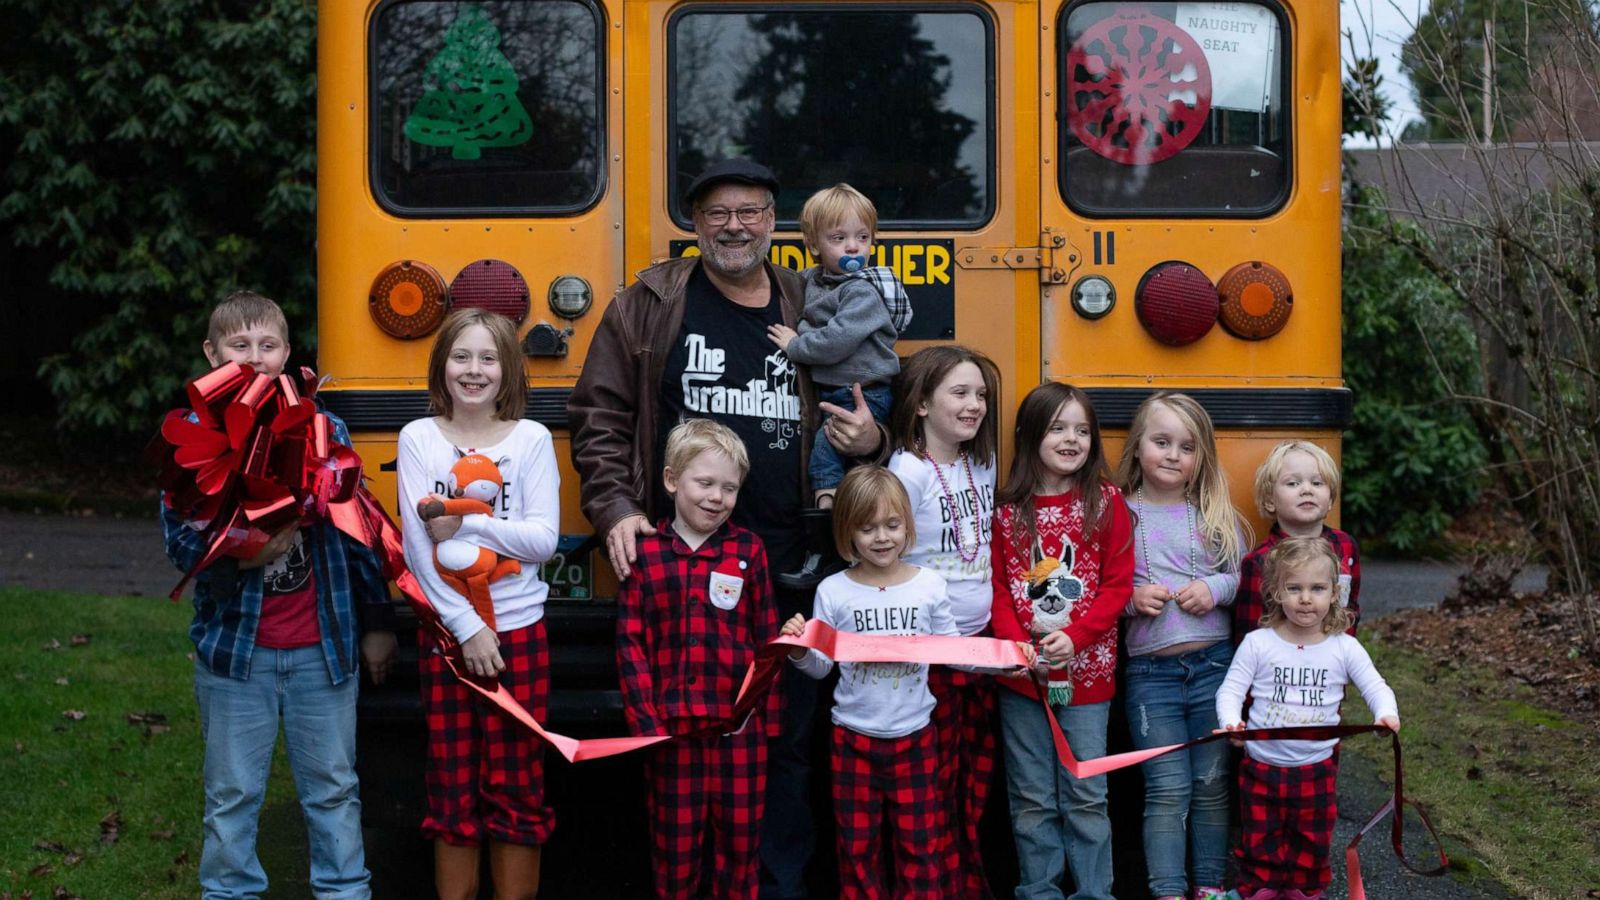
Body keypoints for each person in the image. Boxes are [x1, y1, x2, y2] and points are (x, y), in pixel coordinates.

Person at [568, 157, 884, 898]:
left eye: (750, 212)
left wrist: (872, 444)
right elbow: (599, 415)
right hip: (681, 570)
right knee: (681, 749)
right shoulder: (650, 302)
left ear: (774, 223)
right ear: (696, 225)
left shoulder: (816, 297)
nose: (734, 225)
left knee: (786, 748)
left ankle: (774, 888)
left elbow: (871, 388)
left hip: (794, 565)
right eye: (718, 213)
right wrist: (615, 506)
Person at [161, 290, 395, 900]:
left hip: (325, 649)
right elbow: (180, 543)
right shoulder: (194, 436)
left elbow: (361, 534)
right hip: (238, 656)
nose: (256, 359)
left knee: (334, 789)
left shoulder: (323, 426)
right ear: (212, 353)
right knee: (233, 795)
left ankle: (344, 890)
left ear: (289, 353)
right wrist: (239, 551)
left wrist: (376, 620)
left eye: (269, 346)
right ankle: (229, 892)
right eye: (241, 347)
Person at [779, 466, 1033, 898]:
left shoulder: (929, 586)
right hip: (852, 740)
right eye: (867, 528)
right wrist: (800, 652)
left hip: (916, 737)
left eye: (892, 525)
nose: (882, 537)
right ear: (847, 532)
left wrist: (1002, 659)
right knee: (856, 850)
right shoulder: (833, 591)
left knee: (921, 847)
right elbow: (822, 668)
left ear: (908, 526)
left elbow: (953, 652)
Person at [398, 308, 560, 900]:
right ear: (441, 367)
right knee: (452, 779)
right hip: (448, 636)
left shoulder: (532, 439)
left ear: (509, 369)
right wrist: (466, 627)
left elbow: (543, 540)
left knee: (517, 779)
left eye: (488, 358)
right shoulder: (418, 438)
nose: (474, 370)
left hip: (521, 630)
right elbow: (418, 554)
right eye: (461, 357)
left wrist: (469, 526)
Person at [615, 419, 778, 899]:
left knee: (740, 852)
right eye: (704, 483)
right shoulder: (644, 555)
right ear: (671, 480)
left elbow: (767, 643)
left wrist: (764, 724)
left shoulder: (748, 552)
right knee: (676, 853)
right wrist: (645, 725)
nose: (716, 497)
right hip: (670, 736)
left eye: (729, 488)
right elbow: (631, 646)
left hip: (739, 735)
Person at [989, 382, 1133, 900]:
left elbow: (1118, 585)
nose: (1072, 439)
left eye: (1082, 430)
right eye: (1058, 428)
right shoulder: (1007, 510)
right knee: (1030, 797)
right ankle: (1040, 890)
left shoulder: (1105, 502)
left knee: (1086, 793)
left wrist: (1076, 637)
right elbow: (1000, 588)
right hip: (1023, 681)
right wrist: (1014, 647)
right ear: (1030, 434)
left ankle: (1095, 892)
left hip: (1087, 681)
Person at [1112, 391, 1250, 900]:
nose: (1172, 455)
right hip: (1152, 676)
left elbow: (1242, 579)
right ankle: (1168, 891)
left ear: (1201, 458)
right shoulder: (1118, 514)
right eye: (1161, 442)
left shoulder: (1213, 514)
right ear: (1138, 447)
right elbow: (1099, 586)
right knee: (1167, 789)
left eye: (1186, 447)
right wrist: (1130, 599)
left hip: (1215, 668)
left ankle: (1209, 889)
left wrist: (1213, 588)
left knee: (1212, 786)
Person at [1215, 538, 1399, 900]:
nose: (1305, 598)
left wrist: (1386, 714)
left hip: (1315, 768)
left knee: (1311, 838)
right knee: (1259, 835)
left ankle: (1305, 890)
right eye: (1294, 588)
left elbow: (1377, 687)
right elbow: (1230, 691)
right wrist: (1231, 720)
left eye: (1317, 588)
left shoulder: (1343, 646)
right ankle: (1260, 889)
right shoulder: (1258, 643)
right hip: (1262, 766)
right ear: (1275, 593)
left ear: (1334, 593)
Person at [887, 345, 1003, 896]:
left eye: (980, 394)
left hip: (980, 649)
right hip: (928, 653)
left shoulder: (983, 463)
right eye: (960, 393)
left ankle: (964, 877)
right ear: (921, 404)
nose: (975, 404)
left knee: (970, 777)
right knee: (929, 778)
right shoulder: (907, 471)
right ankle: (931, 883)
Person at [766, 182, 907, 508]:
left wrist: (795, 345)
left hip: (865, 391)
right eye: (839, 238)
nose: (853, 247)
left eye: (862, 237)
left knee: (827, 445)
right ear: (813, 244)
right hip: (832, 389)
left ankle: (826, 506)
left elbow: (836, 341)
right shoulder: (813, 280)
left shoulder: (862, 291)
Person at [1234, 441, 1361, 646]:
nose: (1306, 490)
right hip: (1278, 670)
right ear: (1270, 500)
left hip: (1331, 666)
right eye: (1293, 483)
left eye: (1317, 483)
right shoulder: (1259, 561)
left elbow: (1351, 608)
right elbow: (1248, 633)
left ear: (1330, 500)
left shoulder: (1345, 545)